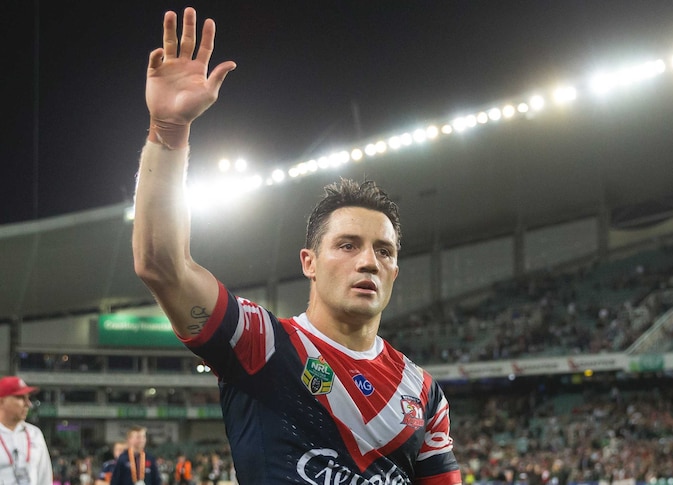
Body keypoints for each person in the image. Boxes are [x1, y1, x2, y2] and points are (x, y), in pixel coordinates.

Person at [132, 7, 461, 484]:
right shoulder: (263, 346)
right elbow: (161, 265)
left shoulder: (424, 393)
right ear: (308, 262)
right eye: (347, 245)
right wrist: (168, 131)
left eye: (384, 251)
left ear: (395, 269)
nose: (368, 260)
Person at [0, 376, 53, 485]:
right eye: (20, 398)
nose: (28, 404)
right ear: (2, 401)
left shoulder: (35, 434)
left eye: (28, 398)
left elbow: (45, 478)